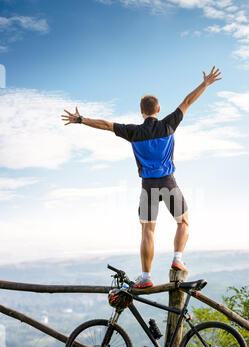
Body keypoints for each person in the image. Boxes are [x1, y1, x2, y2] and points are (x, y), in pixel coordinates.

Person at [61, 66, 222, 288]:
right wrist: (205, 84)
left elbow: (106, 125)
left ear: (141, 111)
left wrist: (81, 120)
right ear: (158, 109)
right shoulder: (168, 125)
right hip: (168, 182)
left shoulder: (134, 132)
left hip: (147, 185)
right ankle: (177, 260)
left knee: (147, 230)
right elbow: (187, 101)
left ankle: (146, 278)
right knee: (183, 221)